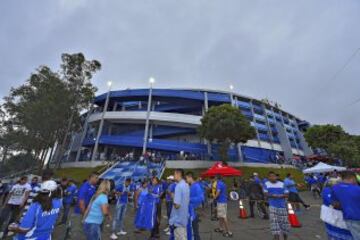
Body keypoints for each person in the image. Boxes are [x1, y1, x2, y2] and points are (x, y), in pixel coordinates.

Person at [331, 171, 360, 240]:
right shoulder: (358, 189)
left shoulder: (335, 188)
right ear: (352, 178)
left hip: (349, 218)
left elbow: (335, 204)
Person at [264, 171, 290, 240]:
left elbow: (287, 194)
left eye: (274, 176)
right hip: (272, 207)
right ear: (268, 177)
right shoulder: (266, 184)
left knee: (285, 225)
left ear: (276, 177)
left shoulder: (282, 184)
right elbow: (265, 194)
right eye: (270, 176)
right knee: (274, 225)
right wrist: (272, 195)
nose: (272, 177)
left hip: (282, 207)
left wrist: (281, 196)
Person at [72, 173, 99, 237]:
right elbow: (81, 202)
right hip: (80, 212)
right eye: (96, 178)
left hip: (87, 212)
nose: (97, 179)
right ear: (91, 178)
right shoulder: (85, 186)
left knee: (84, 231)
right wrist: (85, 214)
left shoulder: (93, 187)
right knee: (77, 231)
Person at [169, 169, 190, 240]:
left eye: (174, 174)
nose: (173, 176)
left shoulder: (178, 186)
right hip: (184, 217)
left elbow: (177, 205)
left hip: (178, 219)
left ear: (178, 174)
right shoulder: (186, 185)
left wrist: (173, 197)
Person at [185, 171, 204, 240]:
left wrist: (189, 199)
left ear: (190, 177)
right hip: (190, 212)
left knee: (195, 232)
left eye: (186, 178)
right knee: (193, 231)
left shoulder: (196, 186)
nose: (186, 180)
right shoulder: (191, 186)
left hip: (194, 213)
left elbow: (201, 198)